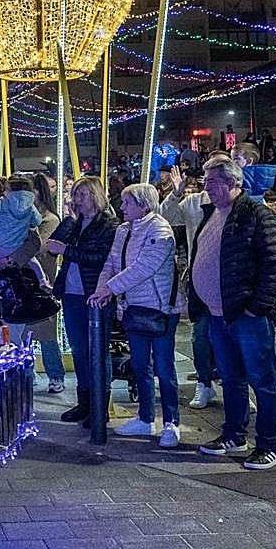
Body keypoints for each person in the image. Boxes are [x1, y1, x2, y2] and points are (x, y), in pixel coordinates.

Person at [189, 155, 276, 470]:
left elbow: (273, 263)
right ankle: (234, 433)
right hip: (218, 313)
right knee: (231, 378)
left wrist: (256, 306)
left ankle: (270, 444)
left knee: (262, 379)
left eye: (213, 182)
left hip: (246, 314)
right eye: (205, 182)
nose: (207, 188)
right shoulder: (213, 214)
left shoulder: (256, 214)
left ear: (233, 183)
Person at [87, 184, 181, 447]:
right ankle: (146, 417)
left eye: (127, 203)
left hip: (160, 307)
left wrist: (110, 288)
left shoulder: (160, 230)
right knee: (140, 365)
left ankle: (172, 421)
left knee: (164, 367)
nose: (122, 207)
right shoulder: (123, 230)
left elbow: (145, 267)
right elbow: (111, 262)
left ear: (143, 204)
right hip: (133, 307)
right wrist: (102, 290)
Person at [45, 176, 117, 427]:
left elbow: (100, 258)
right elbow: (51, 245)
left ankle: (100, 406)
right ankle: (84, 402)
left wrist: (67, 250)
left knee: (97, 350)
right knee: (78, 350)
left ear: (95, 196)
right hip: (73, 294)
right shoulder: (75, 223)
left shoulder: (108, 225)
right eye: (75, 195)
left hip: (94, 293)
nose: (77, 200)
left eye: (82, 195)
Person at [162, 165, 219, 410]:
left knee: (231, 337)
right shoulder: (194, 202)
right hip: (200, 277)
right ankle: (204, 382)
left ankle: (234, 384)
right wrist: (176, 193)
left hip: (229, 278)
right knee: (201, 335)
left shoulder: (235, 202)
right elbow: (167, 216)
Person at [30, 172, 66, 393]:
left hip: (43, 283)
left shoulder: (50, 220)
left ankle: (56, 374)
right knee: (21, 333)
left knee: (47, 334)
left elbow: (40, 249)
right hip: (23, 282)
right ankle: (27, 371)